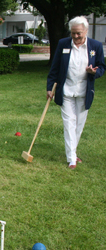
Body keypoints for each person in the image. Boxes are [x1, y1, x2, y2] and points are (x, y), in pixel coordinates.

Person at [47, 16, 105, 169]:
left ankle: (73, 151)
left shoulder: (96, 46)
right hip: (66, 90)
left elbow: (102, 67)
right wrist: (49, 87)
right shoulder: (63, 44)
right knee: (69, 123)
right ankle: (71, 158)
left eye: (79, 33)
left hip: (84, 91)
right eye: (73, 33)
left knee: (79, 124)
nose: (76, 36)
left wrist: (94, 72)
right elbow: (55, 67)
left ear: (86, 31)